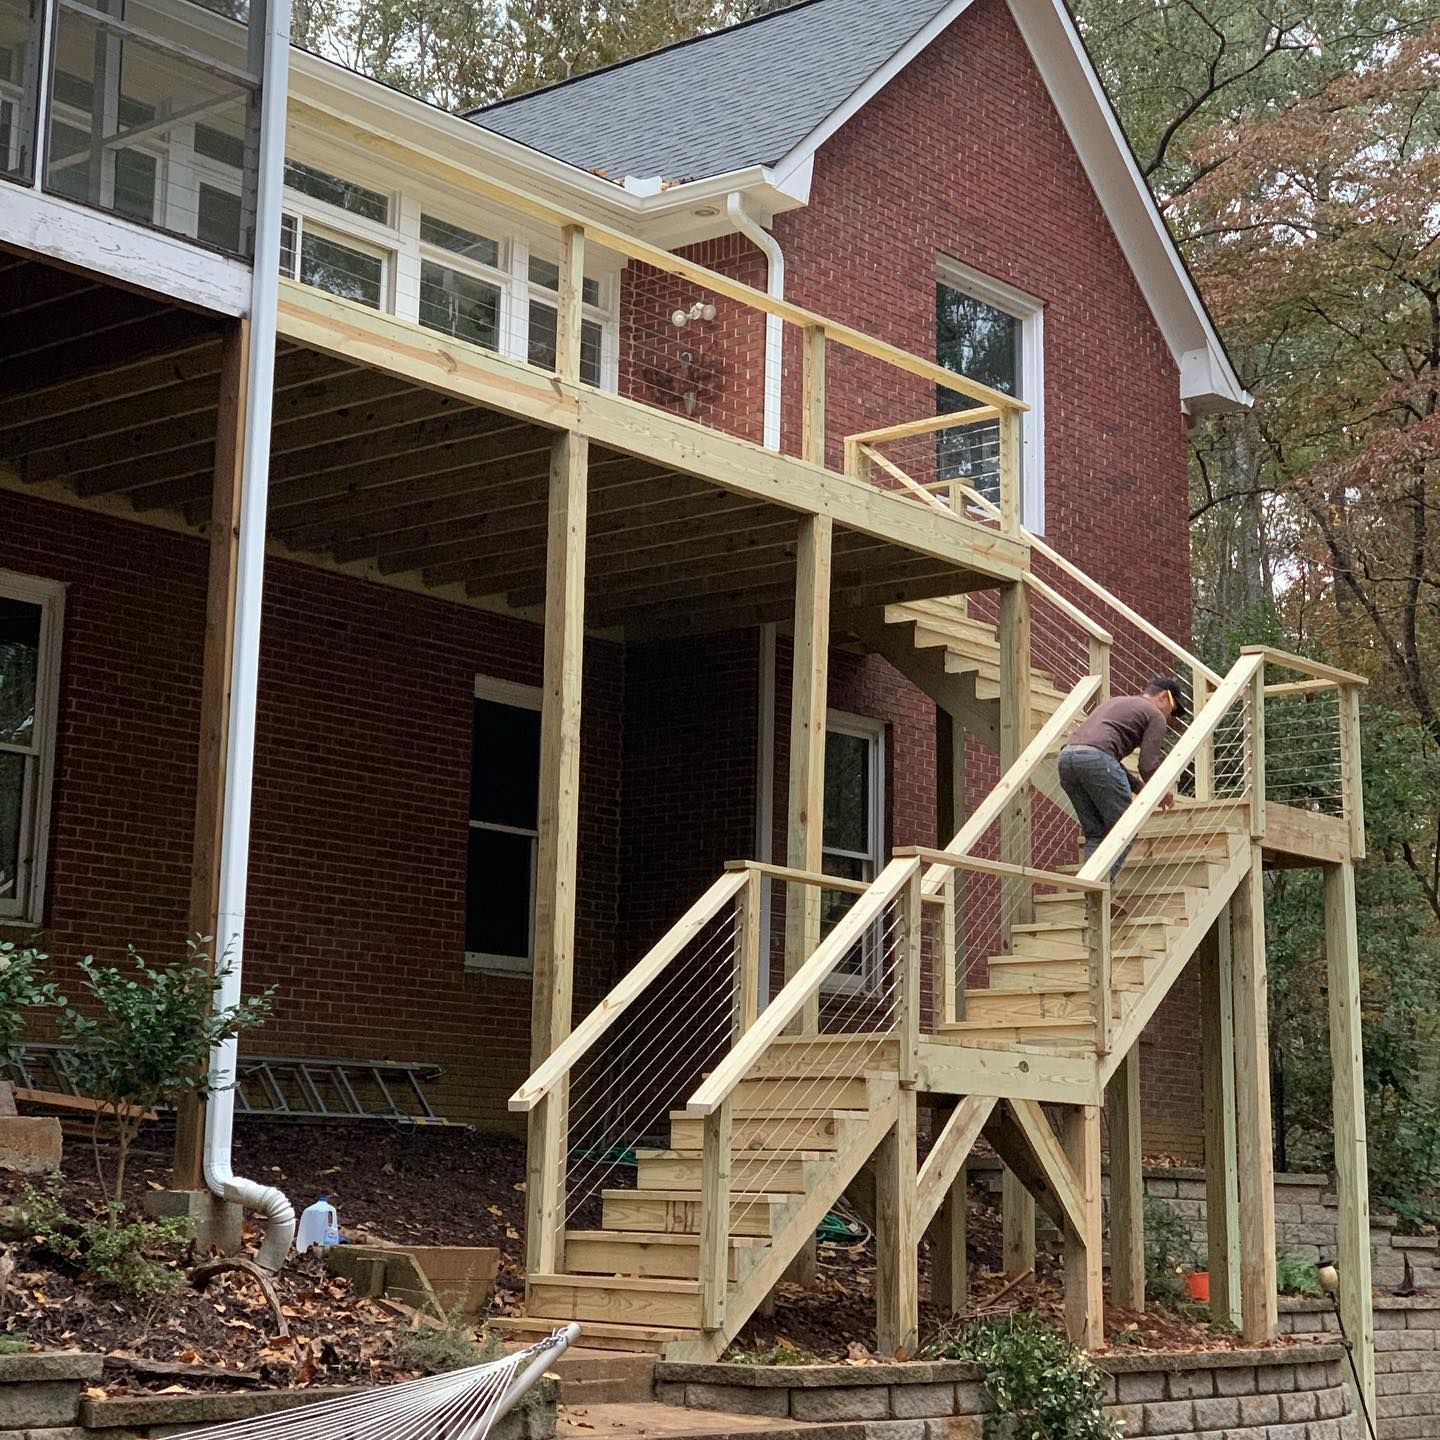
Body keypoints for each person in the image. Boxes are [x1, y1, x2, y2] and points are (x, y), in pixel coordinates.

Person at [1057, 678, 1187, 880]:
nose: (1169, 717)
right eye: (1172, 709)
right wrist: (1159, 791)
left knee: (1096, 834)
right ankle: (1102, 891)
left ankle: (1093, 899)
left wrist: (1140, 788)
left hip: (1067, 758)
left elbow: (1104, 755)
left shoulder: (1115, 702)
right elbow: (1147, 764)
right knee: (1124, 830)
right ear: (1163, 696)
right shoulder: (1155, 715)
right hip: (1098, 760)